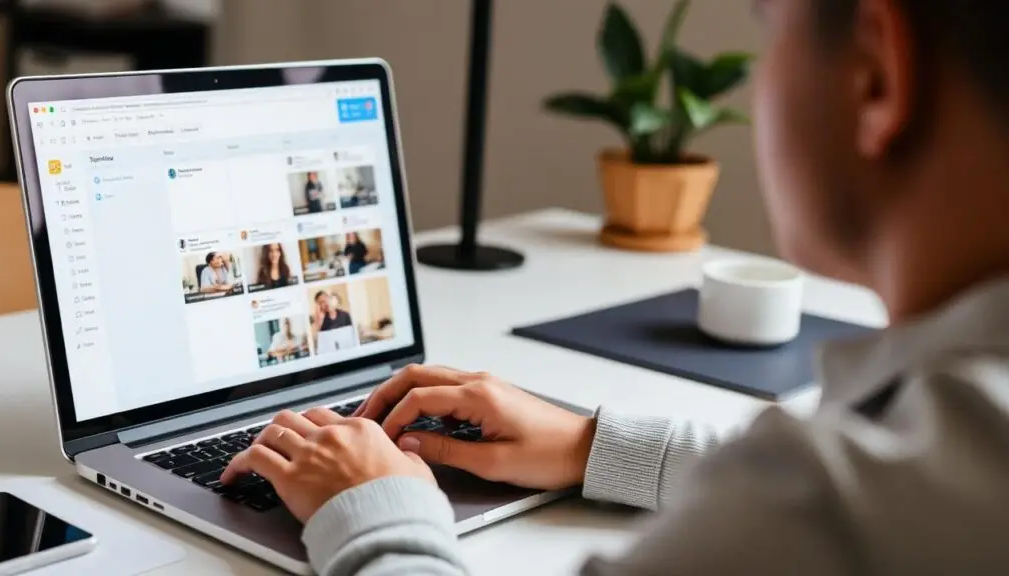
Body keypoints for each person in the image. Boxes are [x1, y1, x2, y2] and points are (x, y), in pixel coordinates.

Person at [222, 1, 1009, 574]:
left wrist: (373, 512)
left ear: (876, 74)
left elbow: (828, 504)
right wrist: (591, 445)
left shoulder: (828, 514)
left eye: (769, 32)